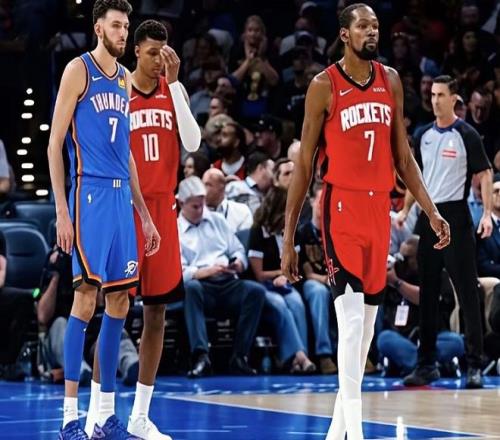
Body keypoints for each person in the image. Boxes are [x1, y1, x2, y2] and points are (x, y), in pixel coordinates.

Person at [280, 4, 450, 439]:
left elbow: (404, 157)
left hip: (379, 211)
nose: (372, 31)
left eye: (375, 26)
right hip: (341, 208)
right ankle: (356, 433)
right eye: (363, 26)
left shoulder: (390, 80)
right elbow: (304, 167)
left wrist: (431, 210)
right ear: (344, 34)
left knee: (367, 329)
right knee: (352, 323)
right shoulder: (324, 86)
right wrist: (288, 237)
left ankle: (337, 431)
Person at [46, 1, 160, 438]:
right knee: (85, 300)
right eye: (116, 25)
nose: (123, 33)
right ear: (98, 28)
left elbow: (126, 152)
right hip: (89, 193)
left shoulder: (126, 79)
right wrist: (62, 210)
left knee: (120, 303)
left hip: (119, 199)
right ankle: (69, 418)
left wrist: (144, 215)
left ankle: (104, 416)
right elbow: (54, 144)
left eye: (126, 26)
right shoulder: (78, 70)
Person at [84, 19, 201, 440]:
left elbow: (192, 143)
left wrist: (176, 84)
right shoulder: (118, 91)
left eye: (164, 54)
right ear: (136, 51)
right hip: (125, 208)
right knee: (115, 309)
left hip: (164, 211)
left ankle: (139, 415)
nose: (158, 61)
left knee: (157, 314)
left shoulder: (173, 90)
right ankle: (98, 413)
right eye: (152, 53)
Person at [397, 75, 492, 390]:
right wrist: (405, 211)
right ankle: (426, 365)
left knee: (467, 293)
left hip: (456, 218)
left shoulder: (466, 134)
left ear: (454, 99)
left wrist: (487, 214)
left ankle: (475, 365)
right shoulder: (423, 134)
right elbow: (415, 178)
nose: (435, 100)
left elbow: (485, 173)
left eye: (441, 95)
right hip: (429, 216)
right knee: (427, 294)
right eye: (433, 95)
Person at [178, 176, 266, 377]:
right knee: (191, 289)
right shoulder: (175, 230)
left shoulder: (217, 221)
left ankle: (240, 356)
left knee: (255, 292)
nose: (200, 210)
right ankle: (201, 356)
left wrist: (238, 263)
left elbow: (238, 250)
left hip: (227, 282)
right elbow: (180, 273)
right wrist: (204, 272)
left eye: (202, 205)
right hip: (201, 285)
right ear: (181, 204)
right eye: (195, 207)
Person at [202, 168, 253, 233]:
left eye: (208, 185)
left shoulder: (242, 212)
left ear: (222, 187)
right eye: (202, 185)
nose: (202, 190)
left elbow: (245, 238)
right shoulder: (194, 213)